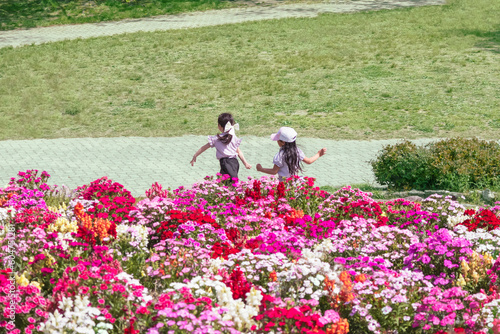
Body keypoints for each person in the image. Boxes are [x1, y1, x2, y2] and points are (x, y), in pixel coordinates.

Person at [190, 113, 251, 182]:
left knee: (230, 183)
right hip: (234, 162)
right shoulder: (233, 137)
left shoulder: (217, 139)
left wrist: (195, 155)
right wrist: (245, 163)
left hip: (226, 163)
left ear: (219, 126)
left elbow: (204, 147)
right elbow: (238, 151)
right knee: (225, 182)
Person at [256, 127, 326, 181]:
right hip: (295, 182)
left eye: (278, 139)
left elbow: (274, 171)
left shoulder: (280, 155)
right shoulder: (297, 151)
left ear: (283, 142)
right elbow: (309, 161)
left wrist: (261, 169)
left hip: (284, 184)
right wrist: (318, 154)